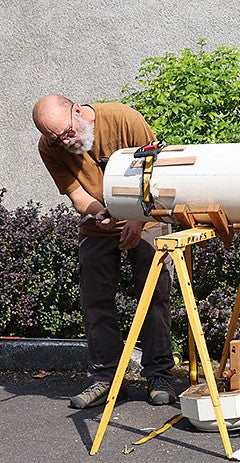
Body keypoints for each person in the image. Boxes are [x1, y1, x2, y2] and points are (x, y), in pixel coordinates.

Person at [31, 95, 177, 409]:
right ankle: (107, 379)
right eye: (56, 140)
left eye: (67, 133)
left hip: (148, 218)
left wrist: (135, 220)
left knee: (154, 294)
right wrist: (101, 214)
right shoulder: (50, 148)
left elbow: (156, 174)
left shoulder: (125, 119)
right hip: (98, 225)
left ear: (78, 110)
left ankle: (160, 375)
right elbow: (77, 195)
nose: (65, 142)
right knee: (95, 299)